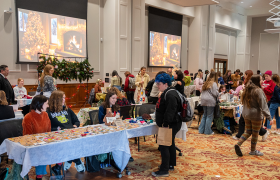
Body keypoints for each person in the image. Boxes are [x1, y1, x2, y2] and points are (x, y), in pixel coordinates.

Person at [152, 73, 182, 177]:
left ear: (165, 84)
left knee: (164, 145)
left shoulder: (170, 94)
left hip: (169, 124)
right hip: (171, 123)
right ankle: (170, 165)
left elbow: (170, 111)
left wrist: (165, 124)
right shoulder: (169, 92)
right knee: (170, 143)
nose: (157, 85)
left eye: (159, 83)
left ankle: (164, 170)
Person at [47, 90, 84, 173]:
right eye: (62, 98)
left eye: (64, 98)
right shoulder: (48, 112)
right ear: (56, 100)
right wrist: (55, 129)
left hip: (71, 134)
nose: (64, 100)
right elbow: (46, 128)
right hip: (58, 136)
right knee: (69, 144)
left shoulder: (67, 110)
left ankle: (59, 165)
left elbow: (77, 121)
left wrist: (74, 126)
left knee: (80, 141)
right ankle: (77, 161)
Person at [234, 75, 272, 157]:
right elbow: (263, 105)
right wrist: (269, 117)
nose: (262, 81)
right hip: (256, 115)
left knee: (247, 131)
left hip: (246, 114)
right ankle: (253, 150)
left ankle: (238, 144)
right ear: (257, 81)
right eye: (261, 79)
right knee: (255, 133)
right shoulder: (258, 90)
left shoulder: (246, 90)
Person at [22, 95, 50, 180]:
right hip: (33, 145)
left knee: (60, 148)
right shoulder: (28, 117)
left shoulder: (45, 114)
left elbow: (48, 132)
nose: (48, 106)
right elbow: (28, 137)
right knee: (43, 152)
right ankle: (39, 177)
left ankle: (58, 168)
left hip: (44, 143)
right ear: (40, 104)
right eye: (46, 104)